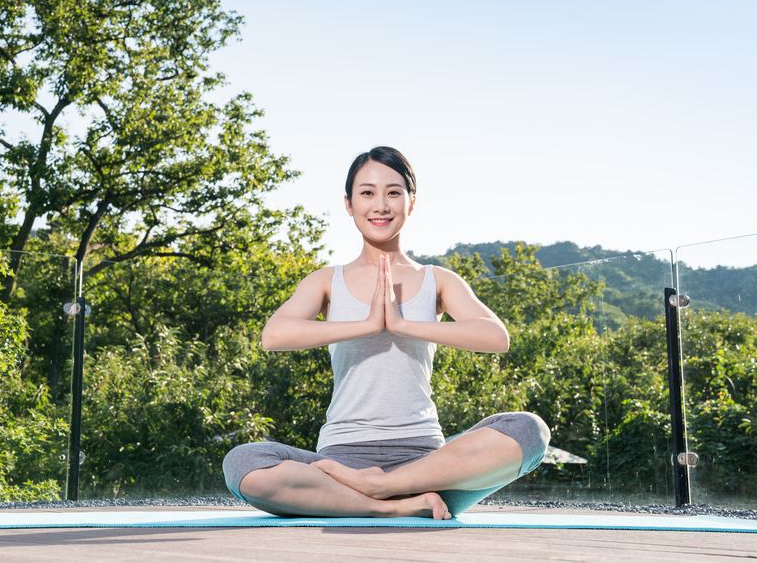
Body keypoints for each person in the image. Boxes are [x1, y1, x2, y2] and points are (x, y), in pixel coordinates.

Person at [222, 146, 550, 520]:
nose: (380, 205)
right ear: (348, 203)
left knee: (529, 431)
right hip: (343, 464)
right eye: (367, 193)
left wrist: (402, 323)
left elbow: (495, 336)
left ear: (411, 202)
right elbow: (274, 335)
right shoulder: (327, 280)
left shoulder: (437, 279)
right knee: (243, 462)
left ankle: (382, 490)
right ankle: (393, 508)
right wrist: (367, 324)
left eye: (393, 192)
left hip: (428, 466)